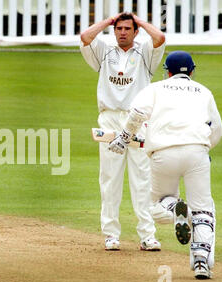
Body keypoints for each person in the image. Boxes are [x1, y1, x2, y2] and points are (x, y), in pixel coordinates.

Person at [108, 51, 222, 279]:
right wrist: (205, 148)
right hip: (197, 152)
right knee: (204, 210)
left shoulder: (155, 88)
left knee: (157, 203)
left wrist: (123, 138)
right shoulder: (204, 91)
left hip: (163, 153)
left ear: (167, 71)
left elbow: (138, 114)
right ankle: (201, 263)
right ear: (192, 70)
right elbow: (216, 128)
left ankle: (179, 210)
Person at [80, 12, 166, 251]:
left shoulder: (145, 51)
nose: (122, 32)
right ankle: (111, 234)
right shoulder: (105, 49)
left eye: (127, 29)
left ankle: (147, 235)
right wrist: (108, 21)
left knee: (142, 179)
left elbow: (159, 37)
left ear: (135, 31)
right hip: (109, 118)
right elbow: (85, 37)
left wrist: (139, 21)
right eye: (119, 29)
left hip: (138, 119)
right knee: (110, 179)